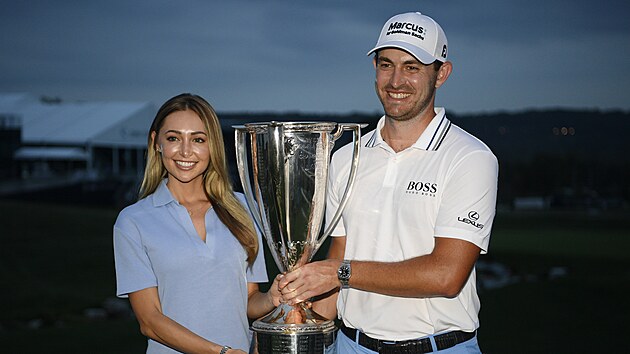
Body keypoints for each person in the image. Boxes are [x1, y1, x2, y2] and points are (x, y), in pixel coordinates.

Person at [278, 12, 499, 353]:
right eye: (386, 65)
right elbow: (339, 262)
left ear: (442, 73)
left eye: (412, 67)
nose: (396, 81)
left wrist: (339, 273)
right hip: (351, 346)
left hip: (438, 347)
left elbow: (446, 276)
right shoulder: (345, 159)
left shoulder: (469, 158)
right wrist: (296, 318)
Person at [113, 93, 281, 354]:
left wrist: (271, 299)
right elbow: (150, 322)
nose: (185, 151)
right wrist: (219, 352)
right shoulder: (133, 221)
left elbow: (247, 300)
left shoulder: (244, 208)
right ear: (156, 142)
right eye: (173, 138)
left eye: (198, 139)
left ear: (212, 145)